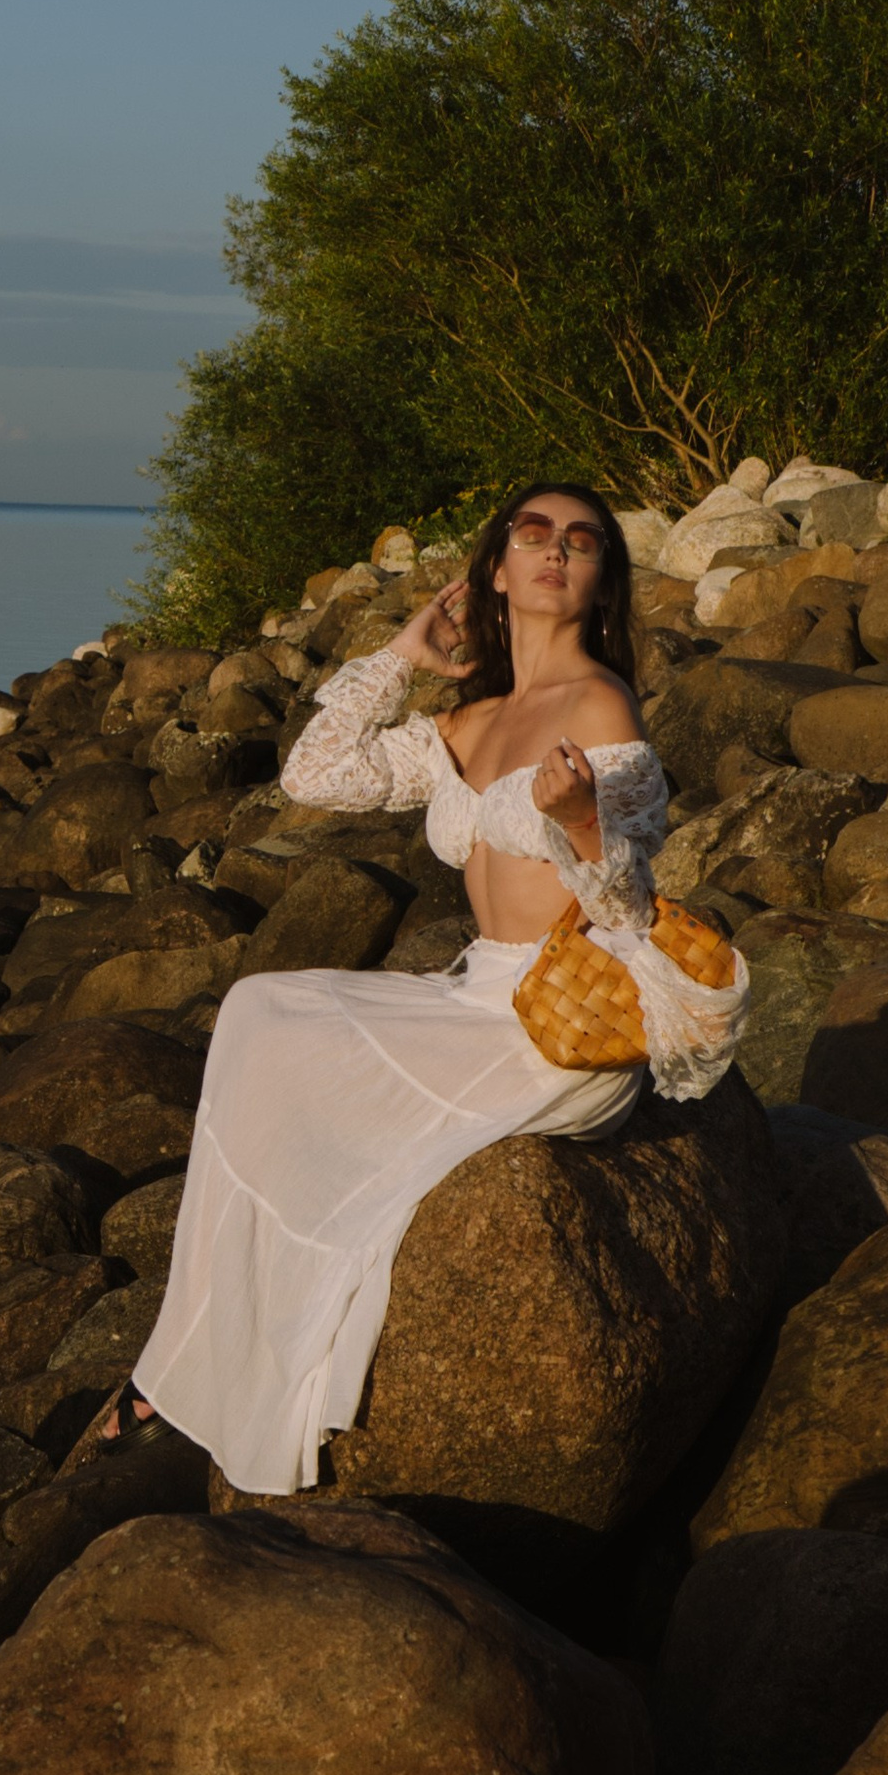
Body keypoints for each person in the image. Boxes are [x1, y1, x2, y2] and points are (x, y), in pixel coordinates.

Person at [118, 480, 746, 1497]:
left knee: (289, 1058)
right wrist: (401, 658)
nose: (555, 553)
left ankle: (230, 1374)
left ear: (599, 580)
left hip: (556, 1023)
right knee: (260, 1010)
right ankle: (207, 1351)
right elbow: (316, 779)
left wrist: (584, 817)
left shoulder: (598, 704)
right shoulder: (470, 719)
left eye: (580, 544)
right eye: (532, 536)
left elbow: (625, 901)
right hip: (475, 997)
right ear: (494, 568)